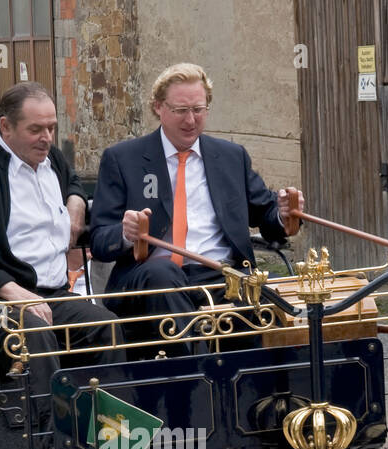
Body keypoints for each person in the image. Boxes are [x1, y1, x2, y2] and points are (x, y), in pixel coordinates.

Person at [90, 62, 303, 339]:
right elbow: (99, 239)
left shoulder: (231, 156)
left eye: (198, 110)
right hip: (149, 277)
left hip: (221, 274)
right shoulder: (123, 159)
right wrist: (126, 234)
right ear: (158, 107)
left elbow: (266, 215)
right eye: (180, 110)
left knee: (285, 296)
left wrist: (283, 214)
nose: (190, 121)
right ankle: (201, 377)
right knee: (164, 276)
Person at [0, 81, 123, 388]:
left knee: (109, 328)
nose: (47, 138)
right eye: (36, 129)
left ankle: (106, 428)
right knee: (34, 333)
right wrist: (15, 292)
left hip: (53, 296)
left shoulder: (52, 161)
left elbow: (73, 182)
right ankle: (49, 431)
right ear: (5, 127)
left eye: (52, 128)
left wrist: (76, 201)